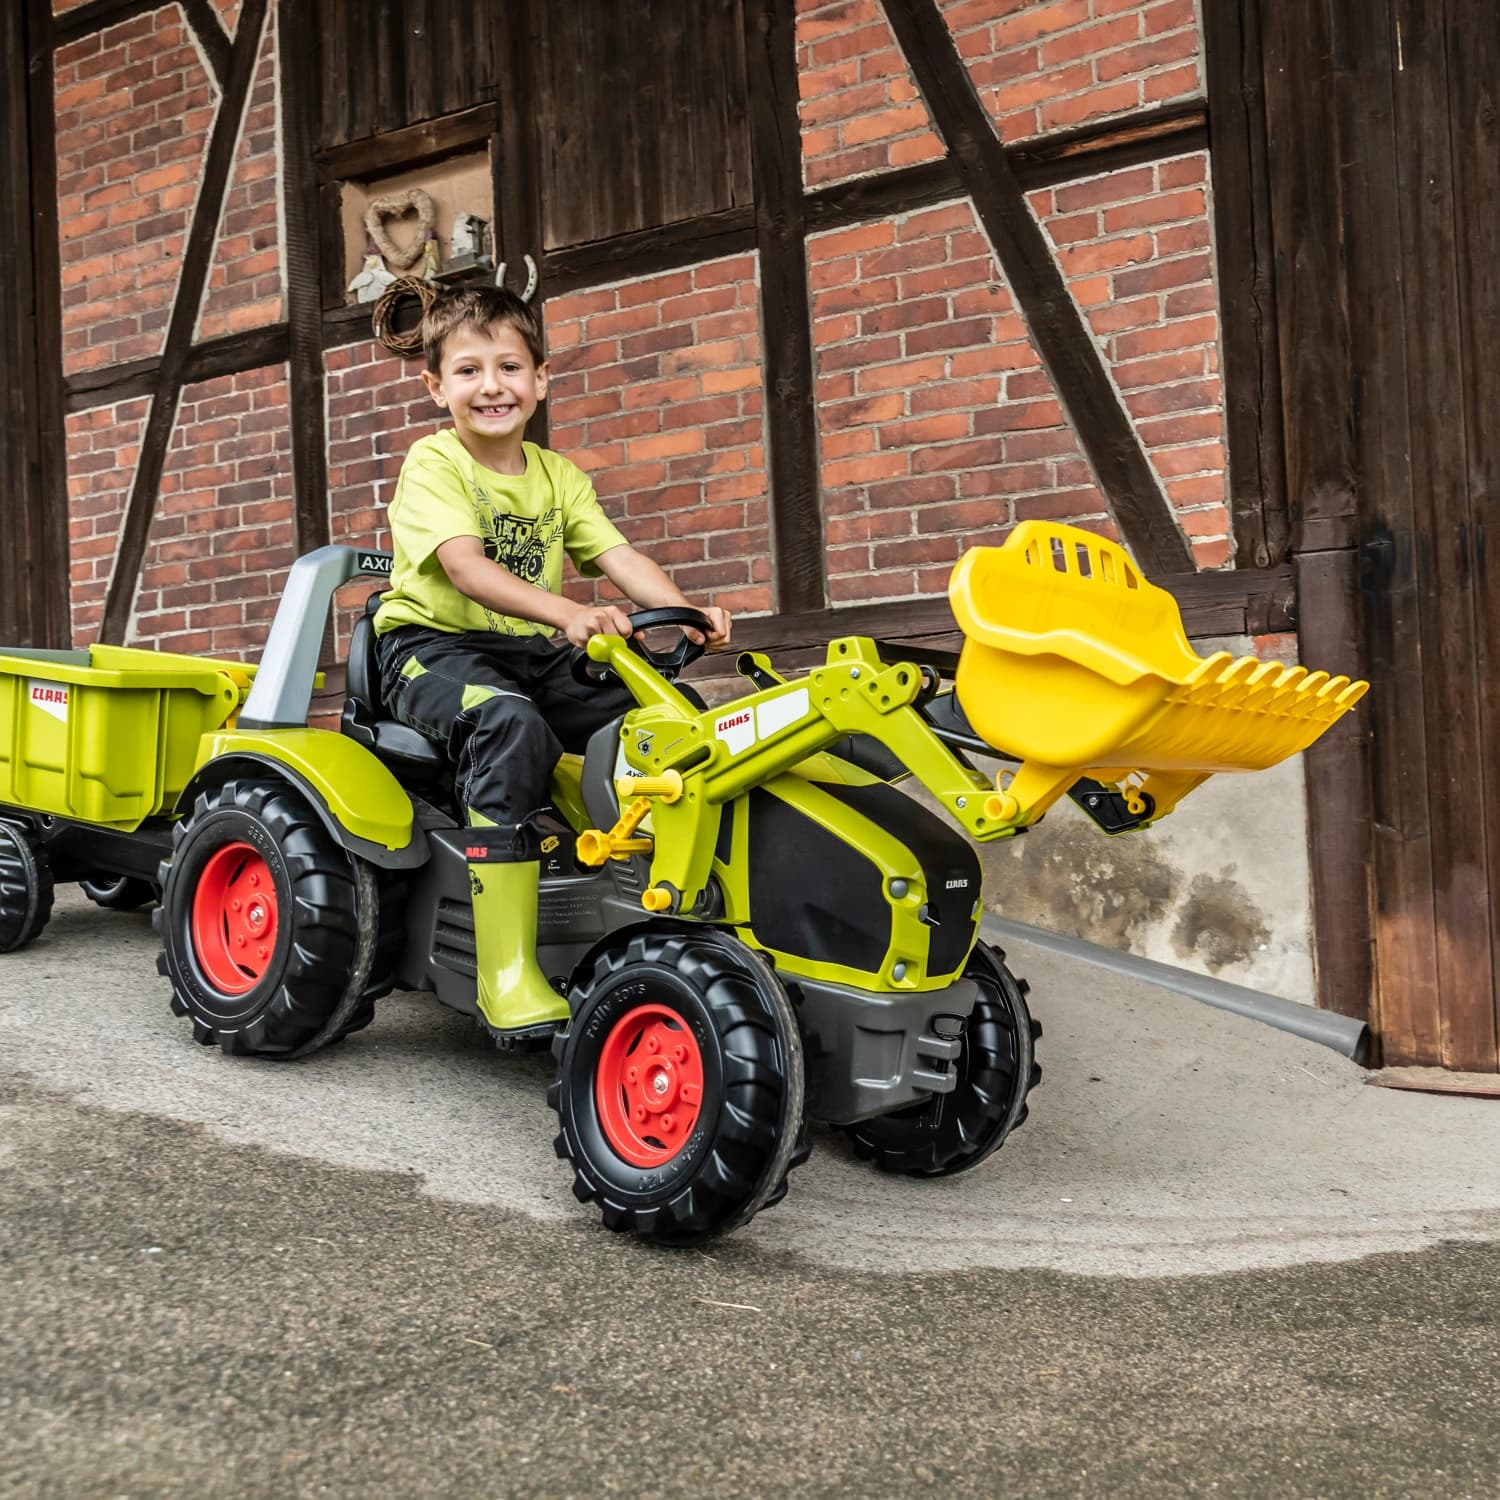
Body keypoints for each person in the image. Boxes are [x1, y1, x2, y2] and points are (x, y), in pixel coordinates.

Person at [372, 286, 731, 1045]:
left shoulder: (558, 476)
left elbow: (618, 556)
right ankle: (505, 974)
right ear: (436, 387)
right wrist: (570, 613)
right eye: (468, 371)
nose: (492, 385)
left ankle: (677, 900)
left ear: (541, 377)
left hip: (531, 650)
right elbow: (466, 569)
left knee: (665, 720)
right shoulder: (433, 463)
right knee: (508, 723)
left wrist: (686, 612)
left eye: (509, 366)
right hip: (430, 648)